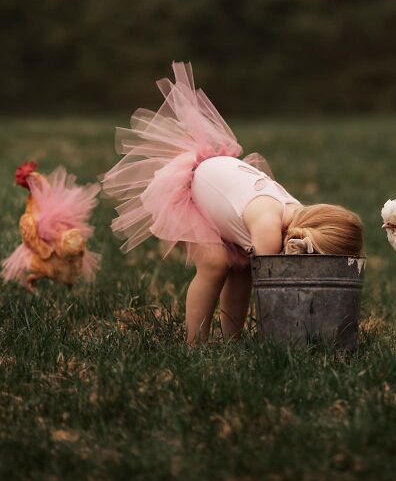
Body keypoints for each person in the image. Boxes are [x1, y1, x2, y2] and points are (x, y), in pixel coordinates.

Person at [102, 62, 363, 344]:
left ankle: (232, 338)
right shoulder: (268, 226)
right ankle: (194, 342)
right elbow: (270, 287)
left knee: (241, 268)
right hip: (191, 189)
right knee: (216, 264)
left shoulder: (297, 213)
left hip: (223, 188)